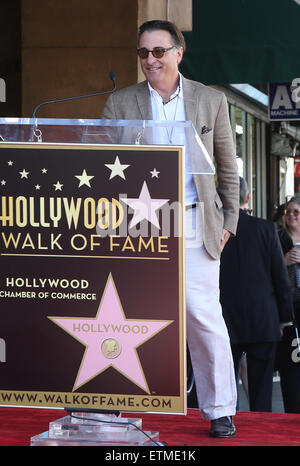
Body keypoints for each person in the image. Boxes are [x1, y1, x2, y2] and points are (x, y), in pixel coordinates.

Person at [102, 20, 239, 438]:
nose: (150, 60)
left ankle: (219, 409)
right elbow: (100, 167)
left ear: (179, 52)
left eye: (158, 51)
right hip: (137, 224)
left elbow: (227, 167)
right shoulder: (119, 103)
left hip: (196, 219)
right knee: (123, 312)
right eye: (143, 53)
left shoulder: (210, 99)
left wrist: (230, 221)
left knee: (202, 315)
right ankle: (115, 403)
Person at [220, 177, 294, 412]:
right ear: (248, 198)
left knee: (223, 390)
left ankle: (224, 427)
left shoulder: (212, 230)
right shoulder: (265, 228)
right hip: (263, 320)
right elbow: (280, 278)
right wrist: (286, 319)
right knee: (261, 393)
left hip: (222, 320)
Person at [276, 197, 300, 413]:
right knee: (289, 367)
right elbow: (266, 273)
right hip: (287, 312)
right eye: (288, 211)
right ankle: (292, 413)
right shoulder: (278, 239)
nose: (291, 215)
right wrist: (283, 262)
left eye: (296, 211)